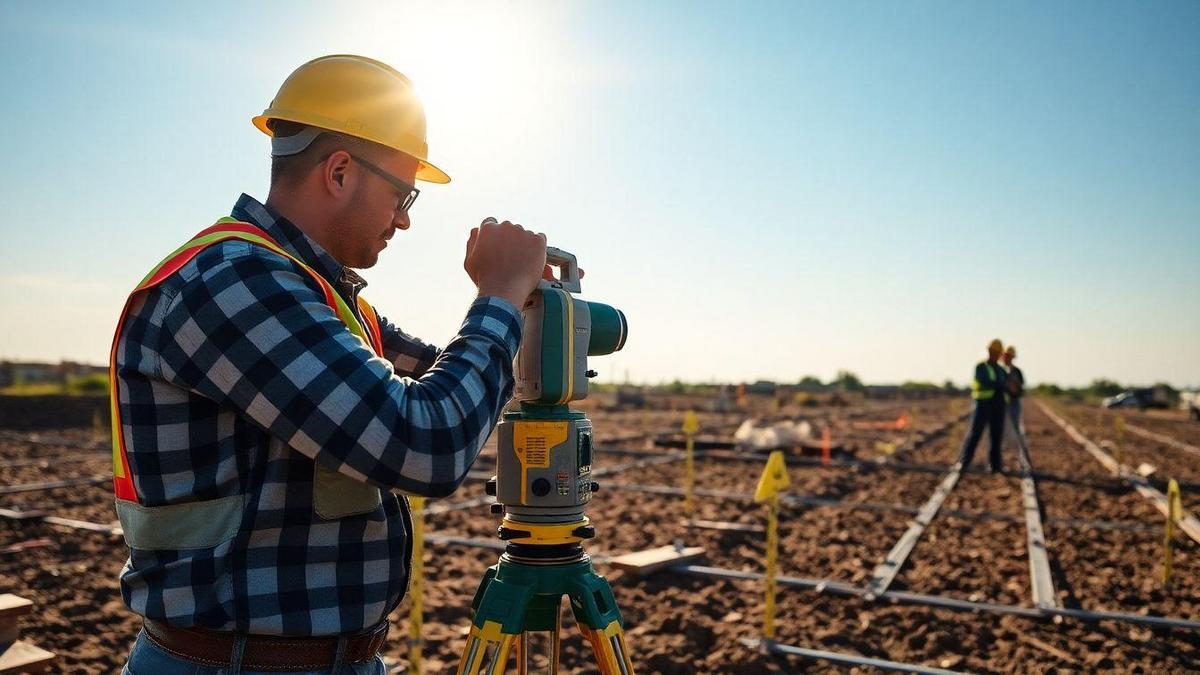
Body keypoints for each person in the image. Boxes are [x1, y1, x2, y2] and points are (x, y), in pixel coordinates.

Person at [112, 55, 551, 674]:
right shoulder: (231, 281)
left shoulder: (319, 298)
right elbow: (427, 440)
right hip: (236, 664)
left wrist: (527, 322)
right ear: (340, 172)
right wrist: (499, 297)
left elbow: (444, 378)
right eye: (403, 195)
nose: (402, 218)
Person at [956, 339, 1008, 473]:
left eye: (996, 352)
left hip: (998, 406)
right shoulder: (981, 367)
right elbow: (985, 382)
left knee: (996, 436)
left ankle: (995, 466)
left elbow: (1007, 385)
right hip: (983, 405)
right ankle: (964, 463)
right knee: (975, 433)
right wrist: (1001, 385)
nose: (994, 354)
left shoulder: (1002, 370)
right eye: (992, 351)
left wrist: (1006, 386)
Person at [1002, 345, 1025, 439]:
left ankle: (1021, 451)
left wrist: (1015, 386)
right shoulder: (1000, 370)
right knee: (1001, 428)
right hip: (1000, 402)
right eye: (1006, 356)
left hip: (1014, 402)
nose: (1008, 358)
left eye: (1010, 356)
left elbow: (1021, 387)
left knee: (1016, 427)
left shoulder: (1017, 371)